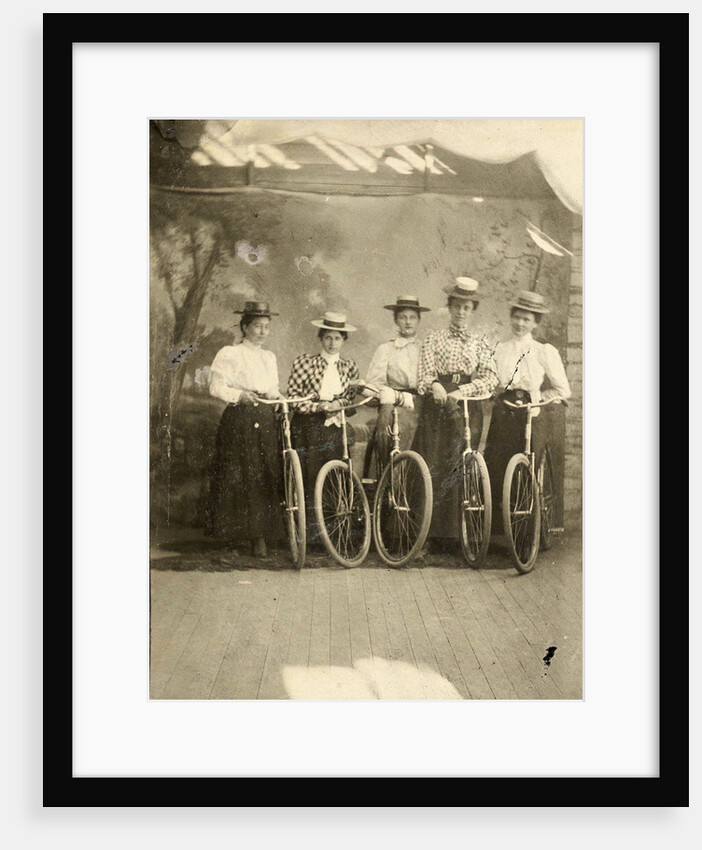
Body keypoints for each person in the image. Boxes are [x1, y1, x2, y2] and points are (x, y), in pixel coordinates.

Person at [412, 277, 499, 547]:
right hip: (436, 404)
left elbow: (490, 378)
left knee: (461, 464)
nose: (461, 312)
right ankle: (425, 536)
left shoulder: (481, 343)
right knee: (432, 463)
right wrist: (436, 385)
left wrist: (463, 392)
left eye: (467, 307)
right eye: (457, 306)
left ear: (473, 310)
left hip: (465, 406)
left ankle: (458, 537)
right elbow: (423, 374)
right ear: (450, 307)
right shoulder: (433, 339)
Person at [483, 290, 571, 532]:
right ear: (511, 317)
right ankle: (499, 533)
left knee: (526, 469)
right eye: (517, 317)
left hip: (531, 413)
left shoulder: (544, 351)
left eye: (527, 319)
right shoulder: (500, 349)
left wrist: (539, 398)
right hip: (505, 411)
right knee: (498, 465)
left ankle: (527, 533)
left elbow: (563, 389)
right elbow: (492, 381)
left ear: (535, 323)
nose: (520, 323)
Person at [204, 301, 285, 558]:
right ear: (245, 327)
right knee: (239, 473)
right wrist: (239, 395)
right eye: (257, 326)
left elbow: (271, 388)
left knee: (264, 473)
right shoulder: (230, 353)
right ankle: (234, 536)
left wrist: (279, 399)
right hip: (239, 418)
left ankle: (260, 535)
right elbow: (216, 387)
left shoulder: (268, 357)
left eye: (266, 327)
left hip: (264, 414)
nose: (262, 332)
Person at [287, 312, 360, 536]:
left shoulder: (349, 367)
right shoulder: (305, 363)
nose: (332, 343)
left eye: (337, 338)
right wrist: (318, 407)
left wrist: (339, 403)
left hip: (335, 426)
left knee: (334, 474)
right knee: (310, 475)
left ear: (343, 340)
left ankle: (333, 531)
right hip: (308, 426)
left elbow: (351, 398)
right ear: (320, 338)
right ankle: (309, 532)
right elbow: (294, 398)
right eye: (328, 337)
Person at [363, 295, 430, 468]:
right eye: (403, 317)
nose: (408, 322)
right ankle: (390, 474)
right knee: (390, 421)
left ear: (418, 320)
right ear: (395, 320)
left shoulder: (426, 348)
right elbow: (375, 383)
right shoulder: (386, 349)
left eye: (412, 317)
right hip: (394, 403)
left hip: (422, 402)